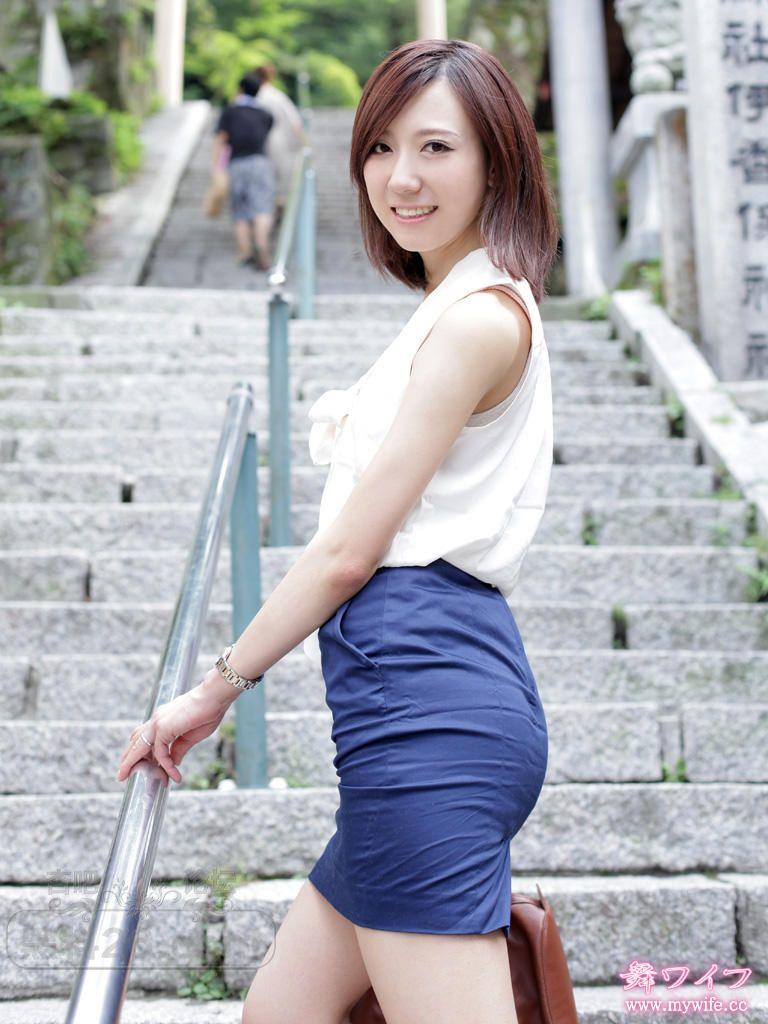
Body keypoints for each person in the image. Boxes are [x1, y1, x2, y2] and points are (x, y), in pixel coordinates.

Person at [117, 37, 559, 1024]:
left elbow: (350, 553)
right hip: (403, 713)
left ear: (497, 160)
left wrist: (212, 691)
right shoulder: (455, 305)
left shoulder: (477, 320)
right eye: (380, 148)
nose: (401, 178)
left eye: (436, 147)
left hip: (429, 713)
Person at [213, 73, 276, 270]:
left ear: (240, 89)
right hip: (260, 162)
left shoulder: (230, 112)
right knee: (262, 207)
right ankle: (262, 244)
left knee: (240, 208)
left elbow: (221, 141)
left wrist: (216, 168)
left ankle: (245, 251)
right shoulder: (265, 114)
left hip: (237, 163)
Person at [252, 63, 310, 229]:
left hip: (256, 143)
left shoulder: (253, 97)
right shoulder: (277, 96)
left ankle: (263, 214)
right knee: (278, 178)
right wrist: (305, 143)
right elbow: (295, 121)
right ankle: (278, 206)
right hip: (278, 141)